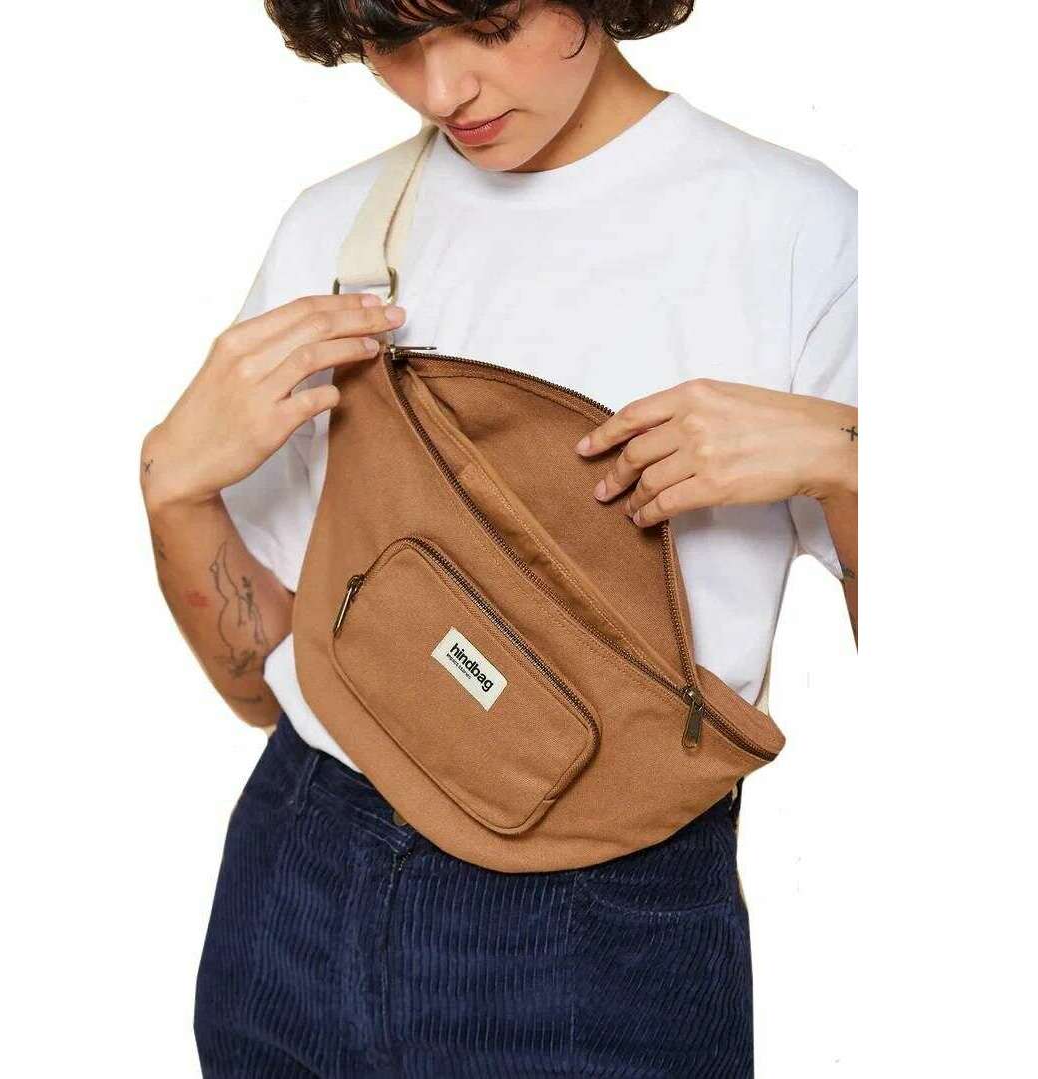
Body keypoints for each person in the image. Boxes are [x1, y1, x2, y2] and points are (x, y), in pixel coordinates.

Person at [139, 1, 857, 1074]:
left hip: (598, 920)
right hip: (297, 869)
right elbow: (261, 686)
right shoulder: (341, 230)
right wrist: (172, 487)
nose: (443, 93)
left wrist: (853, 458)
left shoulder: (800, 232)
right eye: (393, 42)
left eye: (487, 22)